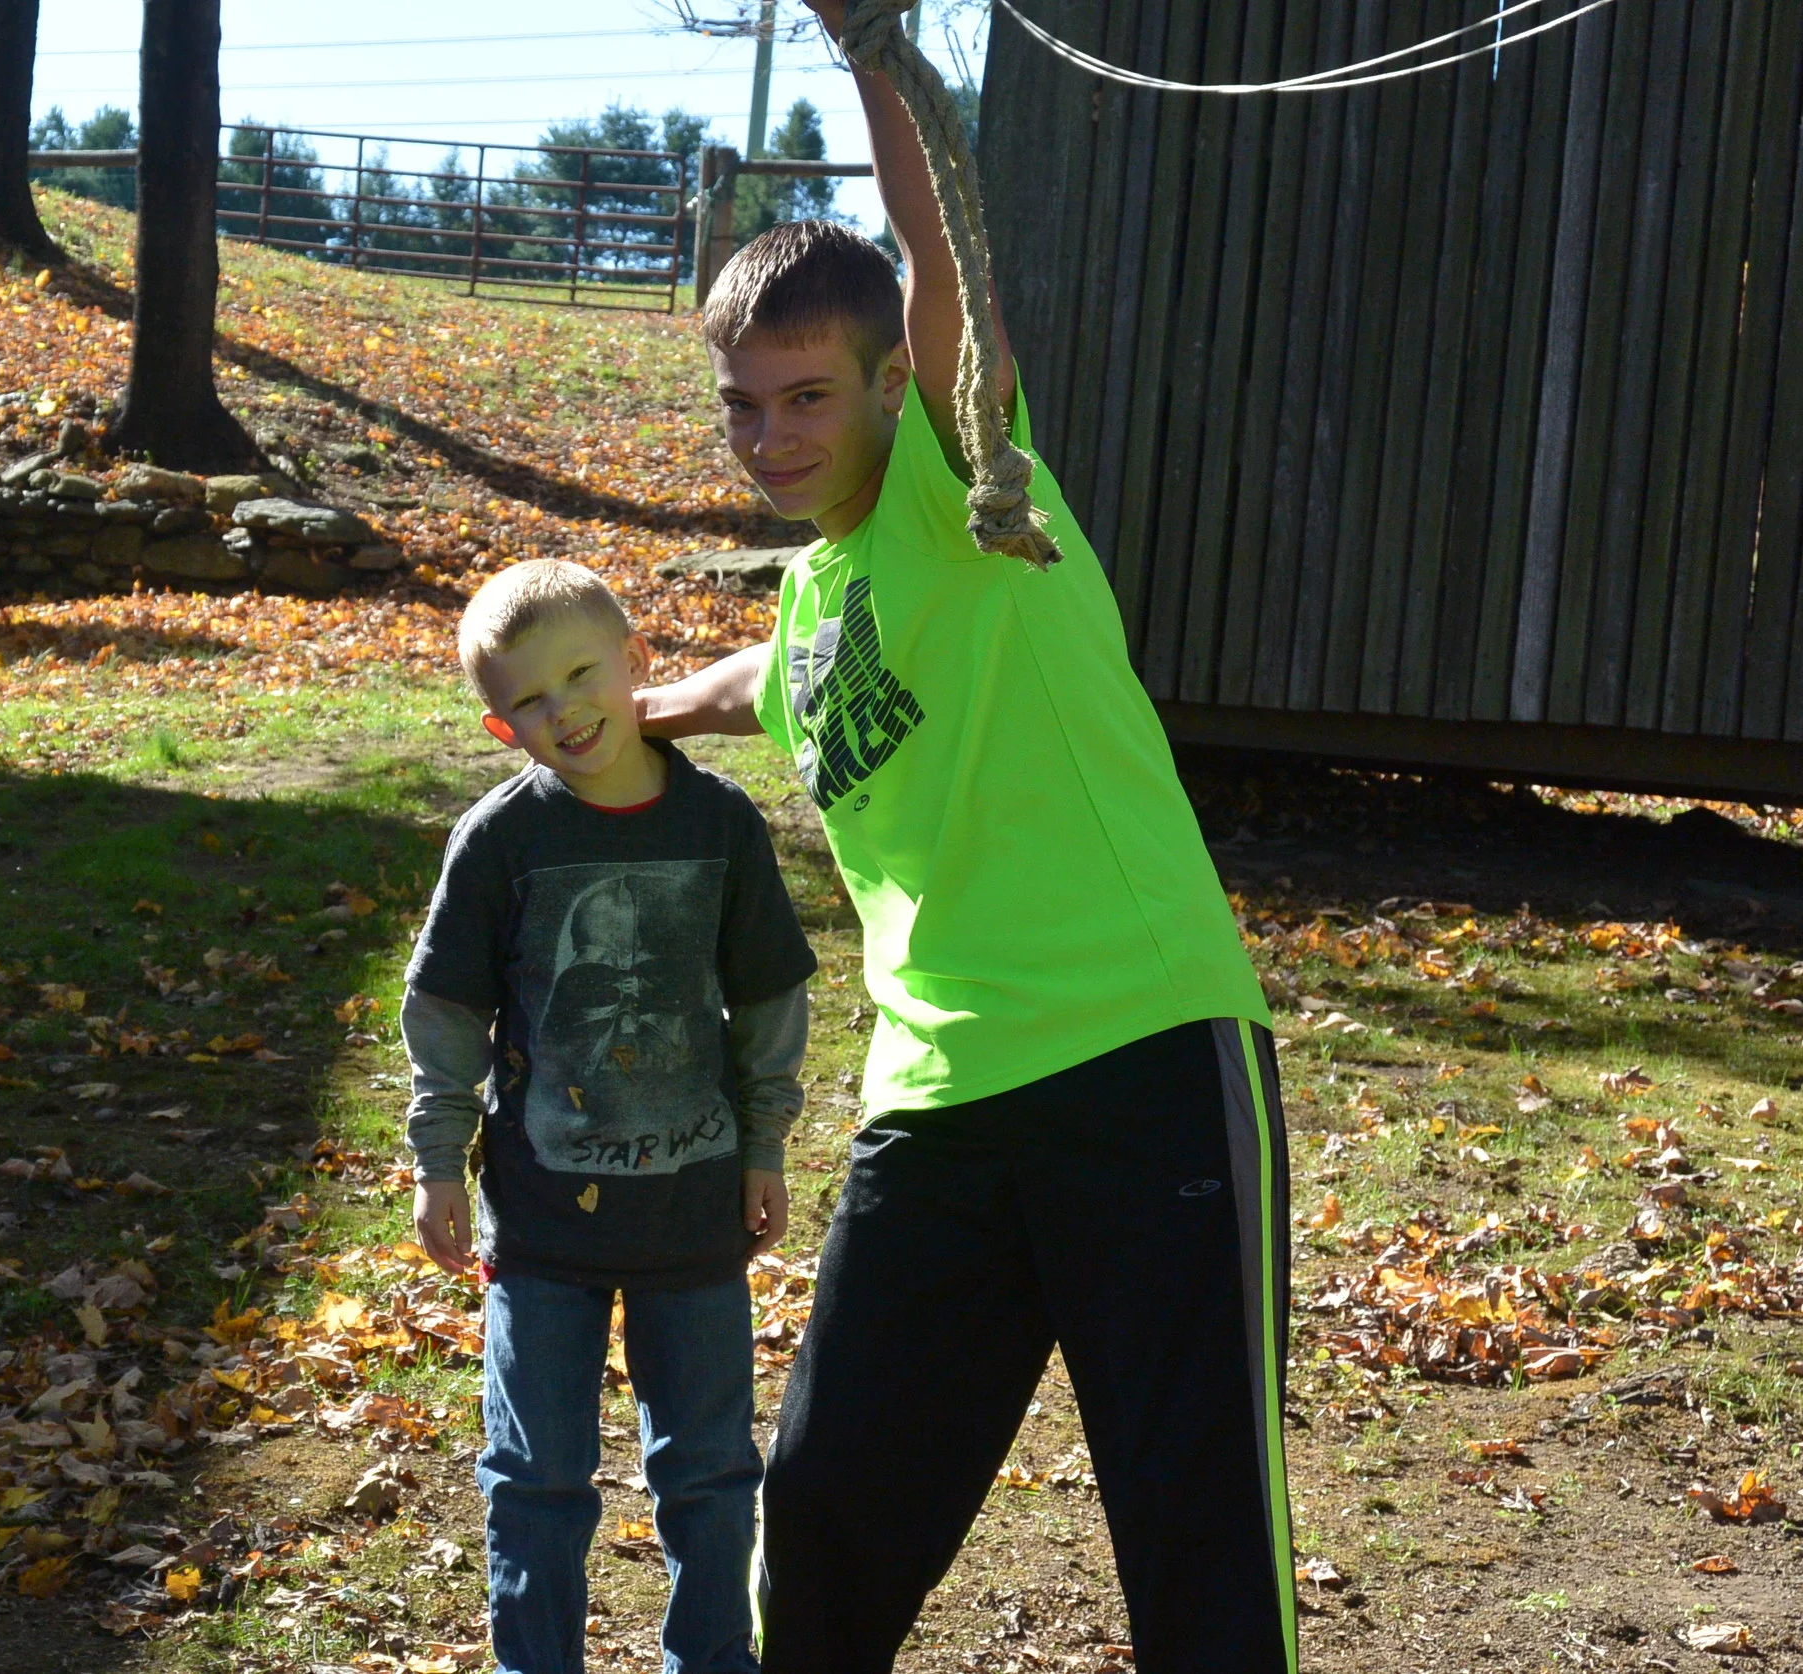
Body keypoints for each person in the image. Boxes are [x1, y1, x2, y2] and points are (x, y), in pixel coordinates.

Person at [630, 6, 1294, 1672]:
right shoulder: (806, 611)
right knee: (827, 1519)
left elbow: (931, 254)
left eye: (807, 396)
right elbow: (755, 679)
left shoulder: (962, 483)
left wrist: (870, 49)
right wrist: (629, 709)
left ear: (887, 386)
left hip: (1140, 1053)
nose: (775, 436)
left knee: (1195, 1541)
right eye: (743, 407)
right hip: (934, 1106)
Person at [401, 558, 817, 1674]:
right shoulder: (500, 841)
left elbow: (770, 999)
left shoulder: (720, 824)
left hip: (694, 1211)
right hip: (541, 1226)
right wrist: (439, 1160)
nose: (565, 709)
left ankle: (712, 1662)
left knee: (712, 1475)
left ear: (636, 663)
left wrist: (765, 1141)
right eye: (531, 699)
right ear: (501, 727)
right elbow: (444, 1010)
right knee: (533, 1479)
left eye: (582, 673)